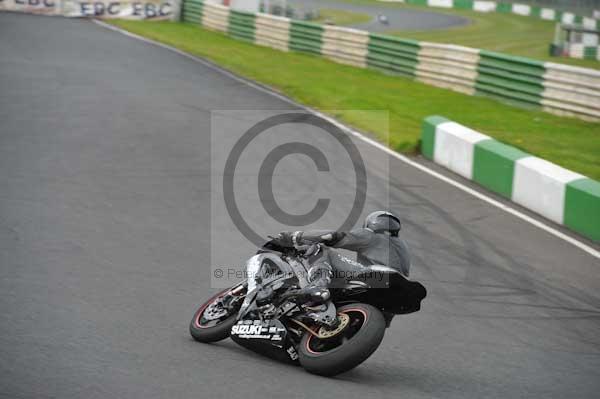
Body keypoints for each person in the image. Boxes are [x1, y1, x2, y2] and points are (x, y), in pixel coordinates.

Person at [271, 210, 411, 304]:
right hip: (396, 294)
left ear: (371, 223)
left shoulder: (371, 235)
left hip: (375, 277)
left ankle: (317, 285)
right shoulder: (403, 247)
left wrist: (295, 237)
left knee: (322, 249)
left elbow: (333, 237)